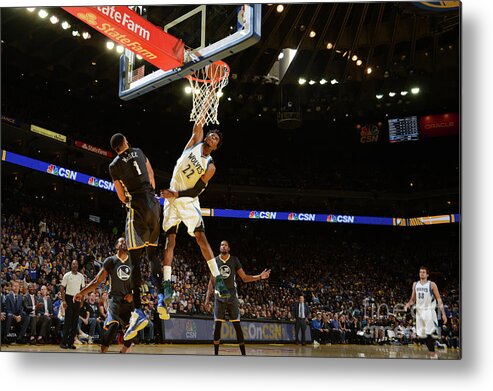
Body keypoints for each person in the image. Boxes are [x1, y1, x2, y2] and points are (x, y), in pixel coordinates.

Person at [159, 118, 230, 311]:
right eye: (211, 134)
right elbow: (199, 120)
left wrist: (176, 194)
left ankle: (219, 280)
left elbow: (196, 190)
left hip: (187, 200)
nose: (212, 137)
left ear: (216, 146)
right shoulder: (195, 140)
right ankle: (167, 285)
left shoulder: (210, 166)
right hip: (172, 198)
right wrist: (206, 96)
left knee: (201, 237)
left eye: (216, 138)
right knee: (170, 241)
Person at [109, 133, 164, 340]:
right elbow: (150, 173)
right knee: (152, 254)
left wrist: (127, 203)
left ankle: (139, 310)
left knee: (134, 260)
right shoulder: (139, 151)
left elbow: (121, 195)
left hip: (137, 207)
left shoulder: (114, 165)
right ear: (126, 142)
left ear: (115, 148)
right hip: (153, 203)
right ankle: (161, 297)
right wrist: (150, 194)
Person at [204, 240, 270, 356]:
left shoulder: (234, 260)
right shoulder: (214, 261)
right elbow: (211, 281)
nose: (223, 246)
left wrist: (260, 277)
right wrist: (207, 298)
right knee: (217, 326)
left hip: (232, 296)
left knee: (237, 326)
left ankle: (243, 355)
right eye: (221, 245)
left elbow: (244, 278)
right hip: (219, 296)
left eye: (225, 245)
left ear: (229, 248)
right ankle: (215, 355)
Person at [74, 237, 136, 353]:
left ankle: (123, 353)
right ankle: (102, 353)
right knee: (113, 326)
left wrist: (132, 294)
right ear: (116, 246)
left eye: (126, 241)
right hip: (114, 299)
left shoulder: (133, 261)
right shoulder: (111, 261)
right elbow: (97, 281)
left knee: (131, 330)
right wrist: (82, 293)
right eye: (121, 241)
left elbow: (137, 282)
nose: (124, 243)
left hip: (128, 301)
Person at [404, 266, 447, 359]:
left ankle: (433, 354)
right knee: (422, 335)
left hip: (428, 311)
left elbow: (439, 299)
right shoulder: (415, 284)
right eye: (420, 272)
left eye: (423, 272)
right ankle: (435, 345)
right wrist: (408, 304)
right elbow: (413, 299)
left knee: (428, 333)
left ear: (427, 274)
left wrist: (443, 313)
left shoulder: (432, 284)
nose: (421, 273)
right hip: (419, 311)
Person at [60, 260, 85, 349]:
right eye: (73, 264)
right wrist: (64, 301)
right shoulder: (67, 275)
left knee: (75, 322)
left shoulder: (81, 276)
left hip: (77, 299)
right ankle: (63, 342)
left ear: (78, 266)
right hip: (69, 298)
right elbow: (62, 289)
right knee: (67, 322)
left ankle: (71, 343)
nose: (74, 265)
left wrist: (82, 302)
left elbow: (83, 290)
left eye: (76, 264)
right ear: (71, 265)